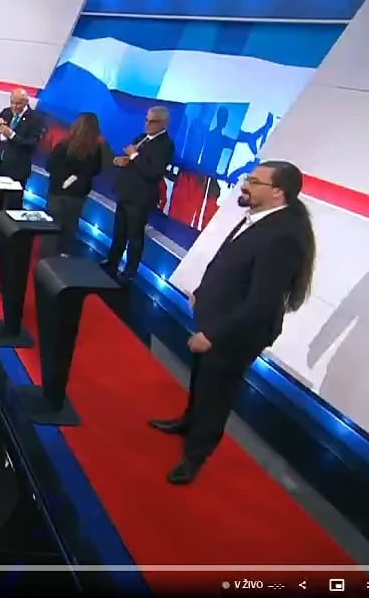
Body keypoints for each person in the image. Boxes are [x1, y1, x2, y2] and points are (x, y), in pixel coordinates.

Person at [150, 161, 315, 485]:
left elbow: (262, 302)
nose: (244, 185)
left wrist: (214, 334)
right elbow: (231, 266)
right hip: (219, 318)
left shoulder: (283, 236)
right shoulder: (262, 217)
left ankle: (195, 455)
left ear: (277, 192)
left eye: (254, 181)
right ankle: (188, 422)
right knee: (202, 381)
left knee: (216, 394)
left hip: (236, 334)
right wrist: (203, 292)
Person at [103, 106, 175, 283]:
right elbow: (135, 163)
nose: (148, 124)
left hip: (140, 198)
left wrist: (134, 155)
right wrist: (122, 160)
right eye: (146, 120)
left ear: (164, 123)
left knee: (134, 237)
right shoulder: (141, 138)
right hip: (125, 193)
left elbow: (153, 172)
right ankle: (112, 262)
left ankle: (129, 272)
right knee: (119, 233)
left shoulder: (166, 145)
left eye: (153, 121)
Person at [43, 112, 106, 257]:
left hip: (58, 194)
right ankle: (64, 256)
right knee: (70, 227)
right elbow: (96, 170)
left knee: (52, 227)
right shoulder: (95, 149)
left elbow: (49, 166)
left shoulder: (64, 145)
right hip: (78, 196)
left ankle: (47, 259)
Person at [0, 88, 46, 208]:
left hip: (17, 170)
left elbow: (32, 144)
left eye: (18, 103)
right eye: (12, 102)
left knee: (12, 206)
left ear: (26, 102)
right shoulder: (7, 112)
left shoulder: (35, 119)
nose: (14, 106)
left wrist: (12, 135)